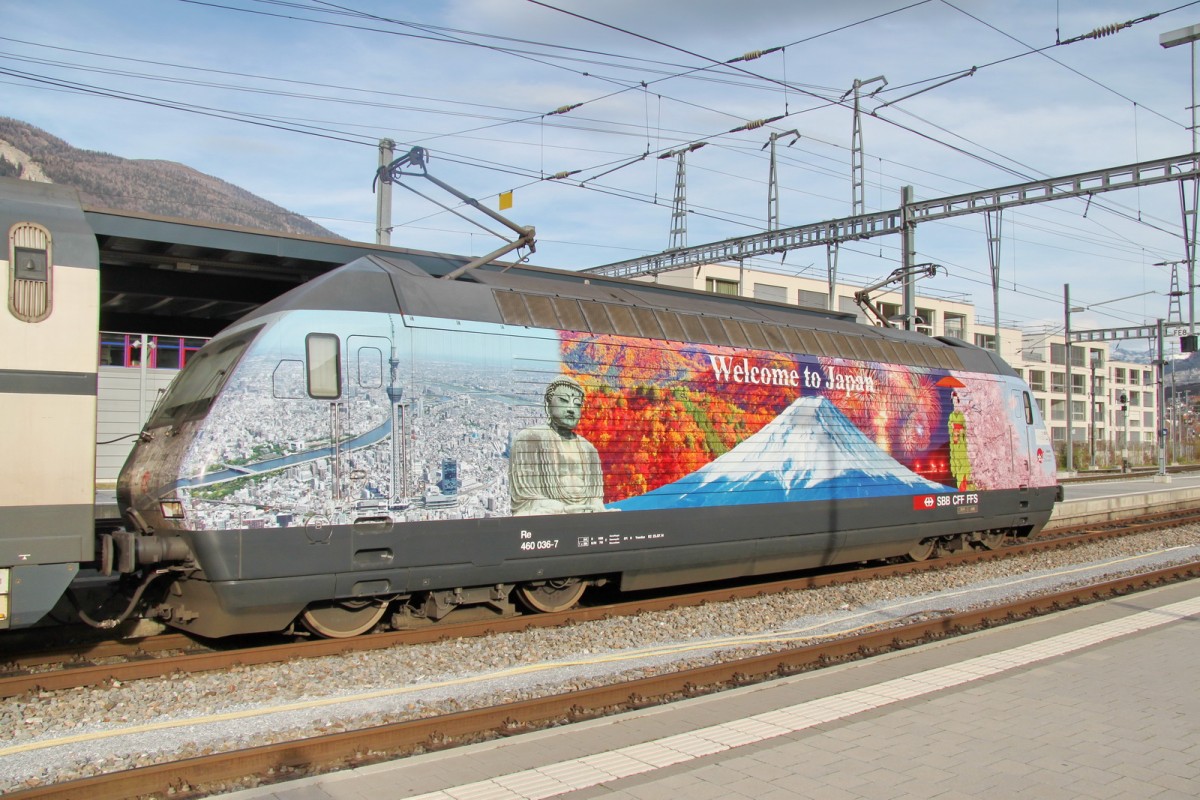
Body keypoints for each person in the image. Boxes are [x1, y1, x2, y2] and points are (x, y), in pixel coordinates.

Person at [509, 376, 606, 516]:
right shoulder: (529, 439)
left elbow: (596, 498)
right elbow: (524, 499)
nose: (572, 409)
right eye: (564, 401)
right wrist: (563, 509)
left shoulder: (589, 450)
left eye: (577, 404)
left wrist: (599, 510)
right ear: (548, 405)